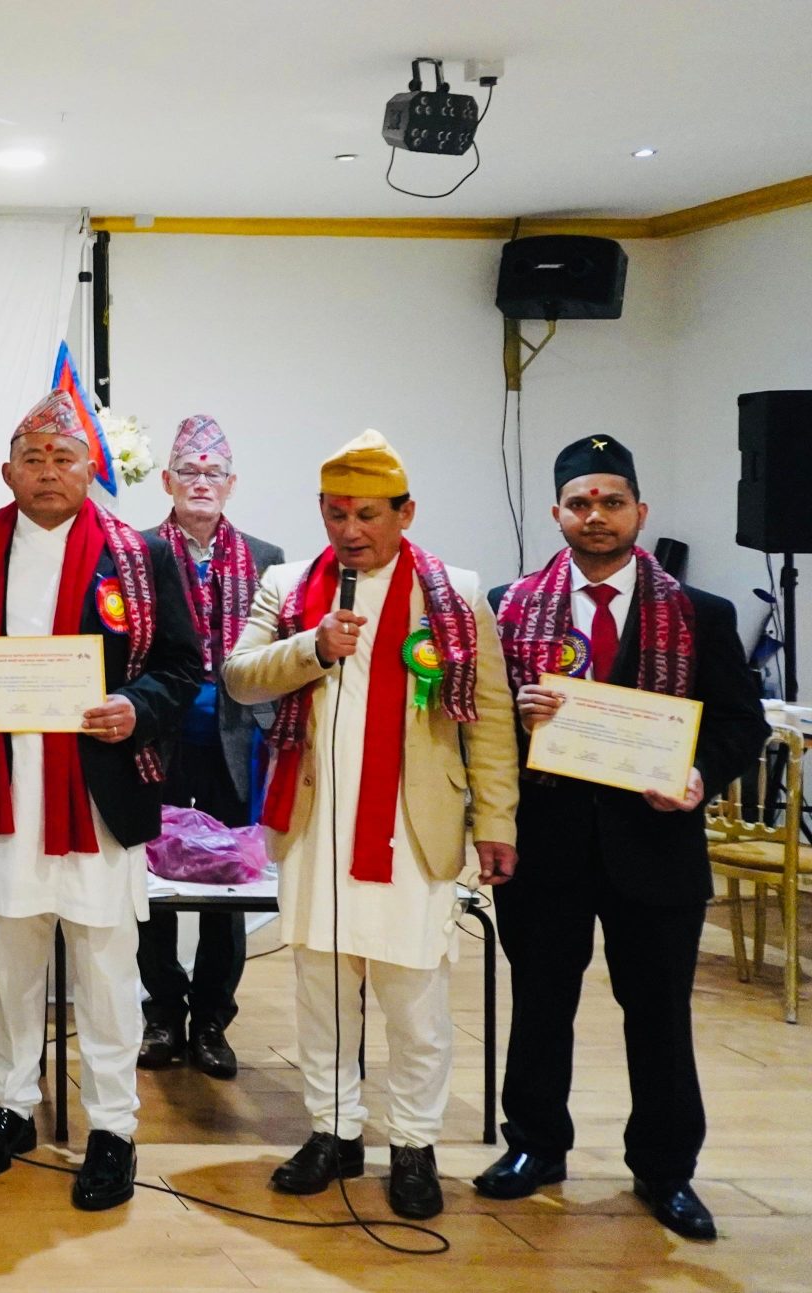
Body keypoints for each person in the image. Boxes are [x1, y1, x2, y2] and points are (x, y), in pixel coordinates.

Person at [223, 429, 519, 1222]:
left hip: (414, 827)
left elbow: (490, 720)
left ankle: (414, 1143)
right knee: (321, 990)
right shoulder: (290, 585)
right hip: (315, 822)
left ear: (405, 512)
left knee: (414, 996)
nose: (350, 531)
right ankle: (334, 1129)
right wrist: (311, 646)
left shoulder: (456, 593)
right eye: (335, 513)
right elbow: (240, 676)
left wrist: (497, 821)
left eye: (367, 514)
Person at [474, 436, 764, 1241]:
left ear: (640, 510)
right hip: (546, 844)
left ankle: (666, 1169)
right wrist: (518, 716)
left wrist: (698, 774)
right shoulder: (508, 604)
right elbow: (482, 724)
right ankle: (535, 1145)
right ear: (557, 513)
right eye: (580, 502)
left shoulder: (702, 612)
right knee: (541, 1003)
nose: (595, 515)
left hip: (658, 847)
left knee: (660, 1014)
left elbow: (740, 722)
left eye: (611, 501)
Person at [0, 392, 203, 1211]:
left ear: (89, 469)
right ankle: (10, 1104)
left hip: (99, 796)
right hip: (2, 790)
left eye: (63, 458)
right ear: (8, 471)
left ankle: (112, 1125)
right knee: (8, 960)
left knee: (107, 968)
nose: (48, 471)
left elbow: (183, 666)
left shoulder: (138, 556)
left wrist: (136, 707)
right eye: (33, 459)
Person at [138, 415, 285, 1080]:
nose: (201, 482)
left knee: (231, 883)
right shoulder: (137, 550)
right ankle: (163, 1013)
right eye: (189, 472)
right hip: (157, 736)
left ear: (231, 484)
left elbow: (280, 653)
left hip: (237, 739)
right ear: (167, 481)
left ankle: (212, 1021)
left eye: (213, 473)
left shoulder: (267, 556)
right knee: (150, 881)